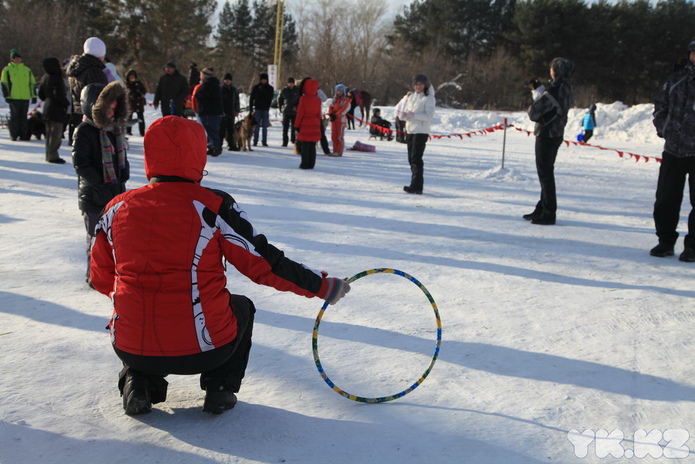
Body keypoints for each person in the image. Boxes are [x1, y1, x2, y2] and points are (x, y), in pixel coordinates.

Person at [89, 116, 350, 415]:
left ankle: (138, 381)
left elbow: (100, 277)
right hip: (206, 349)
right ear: (198, 155)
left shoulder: (116, 207)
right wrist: (322, 285)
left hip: (131, 345)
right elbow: (264, 264)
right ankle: (220, 388)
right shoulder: (212, 206)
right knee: (242, 306)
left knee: (137, 308)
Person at [72, 81, 129, 283]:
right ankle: (95, 277)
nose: (112, 110)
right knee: (96, 239)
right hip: (94, 195)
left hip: (114, 193)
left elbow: (119, 159)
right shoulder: (84, 130)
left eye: (115, 106)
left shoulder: (114, 130)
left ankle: (112, 274)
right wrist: (99, 184)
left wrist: (124, 173)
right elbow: (81, 163)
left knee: (115, 238)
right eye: (109, 106)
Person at [650, 38, 695, 262]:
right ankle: (665, 241)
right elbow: (661, 105)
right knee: (666, 199)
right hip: (673, 150)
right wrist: (664, 127)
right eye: (694, 52)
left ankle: (693, 247)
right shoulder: (677, 78)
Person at [524, 58, 574, 225]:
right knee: (546, 172)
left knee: (545, 175)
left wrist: (538, 93)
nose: (550, 71)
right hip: (557, 134)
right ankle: (542, 207)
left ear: (557, 71)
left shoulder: (555, 89)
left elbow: (534, 112)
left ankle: (549, 212)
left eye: (552, 68)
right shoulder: (567, 88)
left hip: (546, 134)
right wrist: (540, 90)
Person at [398, 74, 436, 194]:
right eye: (416, 84)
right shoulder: (412, 96)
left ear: (425, 85)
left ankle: (417, 185)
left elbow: (428, 116)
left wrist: (413, 115)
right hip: (411, 130)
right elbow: (405, 110)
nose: (418, 86)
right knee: (411, 158)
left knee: (416, 158)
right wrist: (403, 115)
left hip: (421, 131)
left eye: (420, 84)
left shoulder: (429, 98)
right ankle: (414, 184)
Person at [67, 38, 109, 144]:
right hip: (92, 116)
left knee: (81, 149)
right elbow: (100, 96)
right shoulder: (95, 71)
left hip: (77, 112)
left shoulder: (76, 69)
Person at [37, 57, 69, 163]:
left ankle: (48, 154)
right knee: (56, 134)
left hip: (47, 107)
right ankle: (53, 156)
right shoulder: (57, 78)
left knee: (49, 133)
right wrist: (66, 103)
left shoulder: (45, 77)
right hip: (56, 109)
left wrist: (48, 98)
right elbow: (58, 94)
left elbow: (41, 94)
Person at [1, 48, 37, 141]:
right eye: (16, 58)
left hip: (25, 97)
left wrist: (33, 96)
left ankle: (24, 134)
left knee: (23, 117)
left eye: (19, 58)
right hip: (14, 97)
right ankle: (14, 134)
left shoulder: (26, 70)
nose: (18, 60)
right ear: (12, 59)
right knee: (15, 117)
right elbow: (4, 83)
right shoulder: (7, 70)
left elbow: (32, 83)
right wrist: (7, 96)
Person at [191, 67, 223, 157]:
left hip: (209, 112)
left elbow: (201, 95)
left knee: (211, 130)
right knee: (211, 130)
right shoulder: (214, 84)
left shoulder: (208, 84)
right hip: (211, 112)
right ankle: (212, 146)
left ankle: (215, 148)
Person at [295, 78, 322, 169]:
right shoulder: (318, 100)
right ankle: (311, 163)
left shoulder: (303, 99)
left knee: (305, 145)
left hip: (305, 123)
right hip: (315, 123)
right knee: (312, 145)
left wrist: (296, 125)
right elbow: (319, 114)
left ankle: (305, 163)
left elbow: (300, 114)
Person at [249, 72, 274, 147]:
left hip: (265, 109)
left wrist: (268, 106)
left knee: (264, 126)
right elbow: (251, 98)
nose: (263, 81)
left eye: (265, 80)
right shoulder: (256, 88)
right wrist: (251, 108)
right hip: (257, 109)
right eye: (262, 80)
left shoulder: (270, 88)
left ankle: (264, 141)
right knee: (256, 126)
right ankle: (255, 140)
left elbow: (270, 99)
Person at [327, 84, 351, 156]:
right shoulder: (334, 99)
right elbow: (331, 107)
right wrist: (330, 114)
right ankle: (334, 150)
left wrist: (336, 115)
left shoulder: (346, 100)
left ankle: (339, 151)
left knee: (339, 136)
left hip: (341, 119)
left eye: (340, 91)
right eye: (337, 91)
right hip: (334, 119)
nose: (339, 92)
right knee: (333, 136)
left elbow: (344, 109)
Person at [220, 72, 240, 151]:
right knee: (221, 130)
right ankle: (219, 145)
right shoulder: (220, 88)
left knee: (231, 130)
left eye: (229, 80)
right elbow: (219, 101)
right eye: (226, 80)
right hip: (223, 113)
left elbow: (237, 101)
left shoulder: (234, 89)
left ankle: (231, 145)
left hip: (231, 112)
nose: (227, 81)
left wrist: (236, 110)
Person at [278, 77, 300, 147]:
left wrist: (296, 107)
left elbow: (300, 100)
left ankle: (293, 140)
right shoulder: (284, 90)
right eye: (289, 83)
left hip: (294, 111)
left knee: (294, 127)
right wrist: (281, 108)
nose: (290, 84)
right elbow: (280, 100)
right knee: (285, 127)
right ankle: (285, 141)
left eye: (292, 83)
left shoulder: (297, 90)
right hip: (286, 110)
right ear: (287, 84)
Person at [124, 69, 146, 136]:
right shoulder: (126, 84)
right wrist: (131, 94)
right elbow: (126, 91)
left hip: (139, 102)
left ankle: (142, 132)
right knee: (129, 118)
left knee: (140, 118)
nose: (132, 78)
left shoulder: (139, 83)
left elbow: (144, 90)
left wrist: (140, 94)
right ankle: (128, 131)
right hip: (130, 103)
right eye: (130, 76)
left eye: (133, 76)